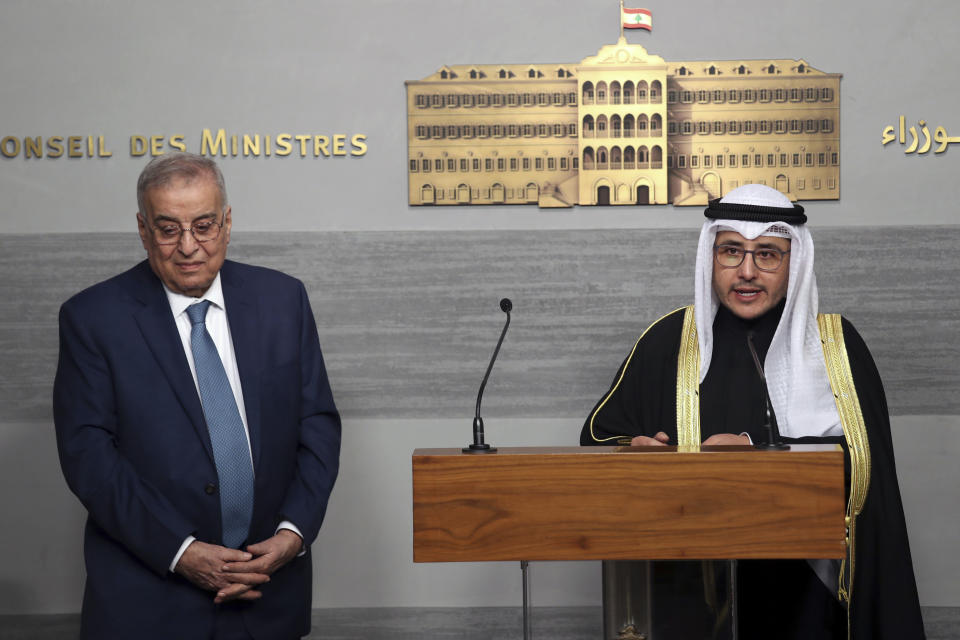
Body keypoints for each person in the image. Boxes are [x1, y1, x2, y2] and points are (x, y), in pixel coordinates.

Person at [581, 184, 925, 639]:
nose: (746, 272)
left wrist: (756, 451)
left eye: (767, 254)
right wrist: (634, 451)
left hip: (809, 598)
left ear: (793, 262)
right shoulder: (667, 342)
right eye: (731, 252)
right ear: (710, 256)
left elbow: (865, 470)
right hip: (691, 592)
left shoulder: (835, 347)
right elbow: (599, 439)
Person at [53, 153, 341, 639]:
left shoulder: (283, 300)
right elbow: (89, 458)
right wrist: (180, 551)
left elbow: (317, 427)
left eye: (204, 225)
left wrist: (293, 534)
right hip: (148, 602)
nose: (188, 246)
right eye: (168, 229)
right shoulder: (93, 318)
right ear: (143, 230)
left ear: (227, 222)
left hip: (268, 595)